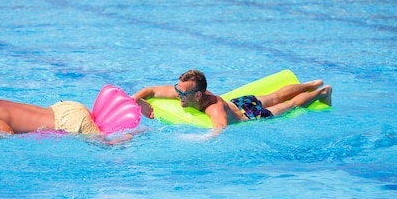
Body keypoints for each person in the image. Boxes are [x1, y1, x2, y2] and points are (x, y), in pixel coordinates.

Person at [132, 69, 332, 129]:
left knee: (288, 104)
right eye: (178, 90)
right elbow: (150, 90)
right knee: (275, 95)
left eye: (183, 93)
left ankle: (321, 92)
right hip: (238, 101)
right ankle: (310, 83)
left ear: (198, 95)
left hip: (251, 114)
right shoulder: (184, 92)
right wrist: (135, 100)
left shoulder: (214, 108)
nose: (178, 95)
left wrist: (193, 138)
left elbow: (219, 131)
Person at [0, 79, 100, 134]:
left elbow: (7, 134)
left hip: (69, 122)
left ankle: (122, 139)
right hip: (66, 107)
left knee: (106, 146)